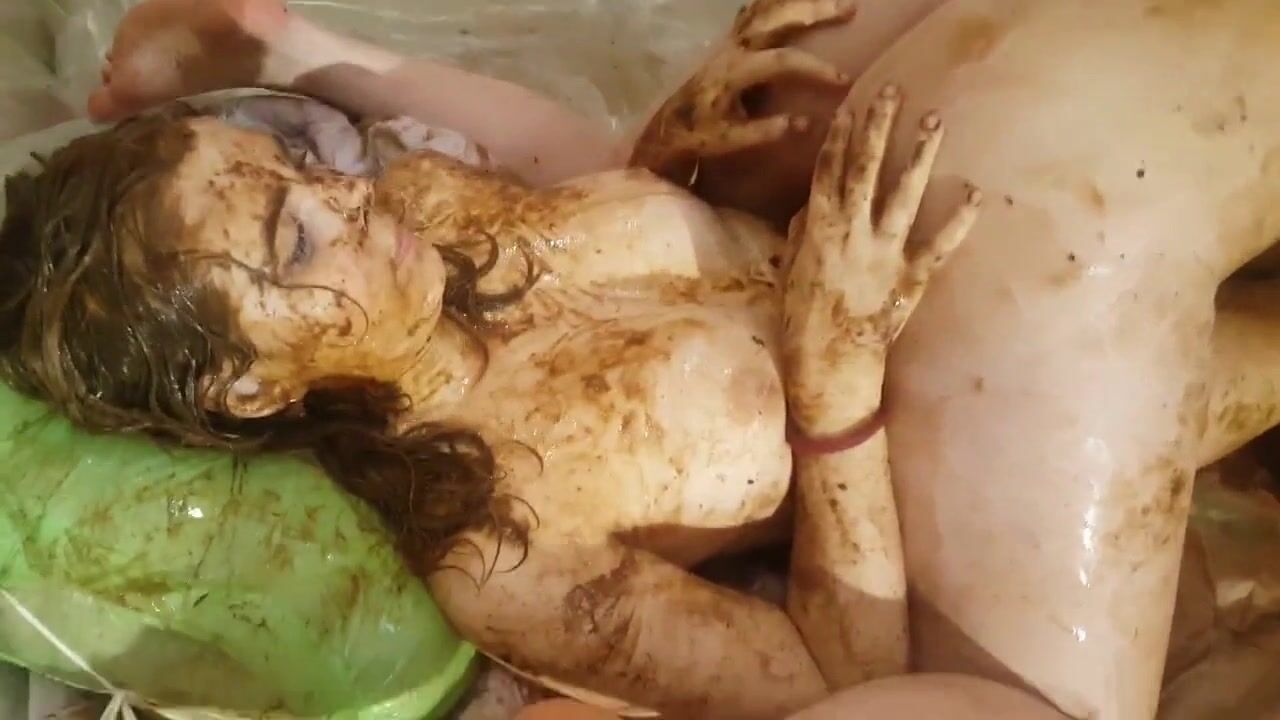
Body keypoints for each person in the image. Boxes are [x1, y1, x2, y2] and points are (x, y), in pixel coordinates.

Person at [44, 0, 1280, 717]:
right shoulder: (498, 543)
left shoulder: (426, 204)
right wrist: (833, 392)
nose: (345, 195)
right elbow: (834, 674)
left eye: (299, 164)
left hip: (884, 254)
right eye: (294, 238)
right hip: (942, 444)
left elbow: (640, 224)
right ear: (251, 385)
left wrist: (684, 136)